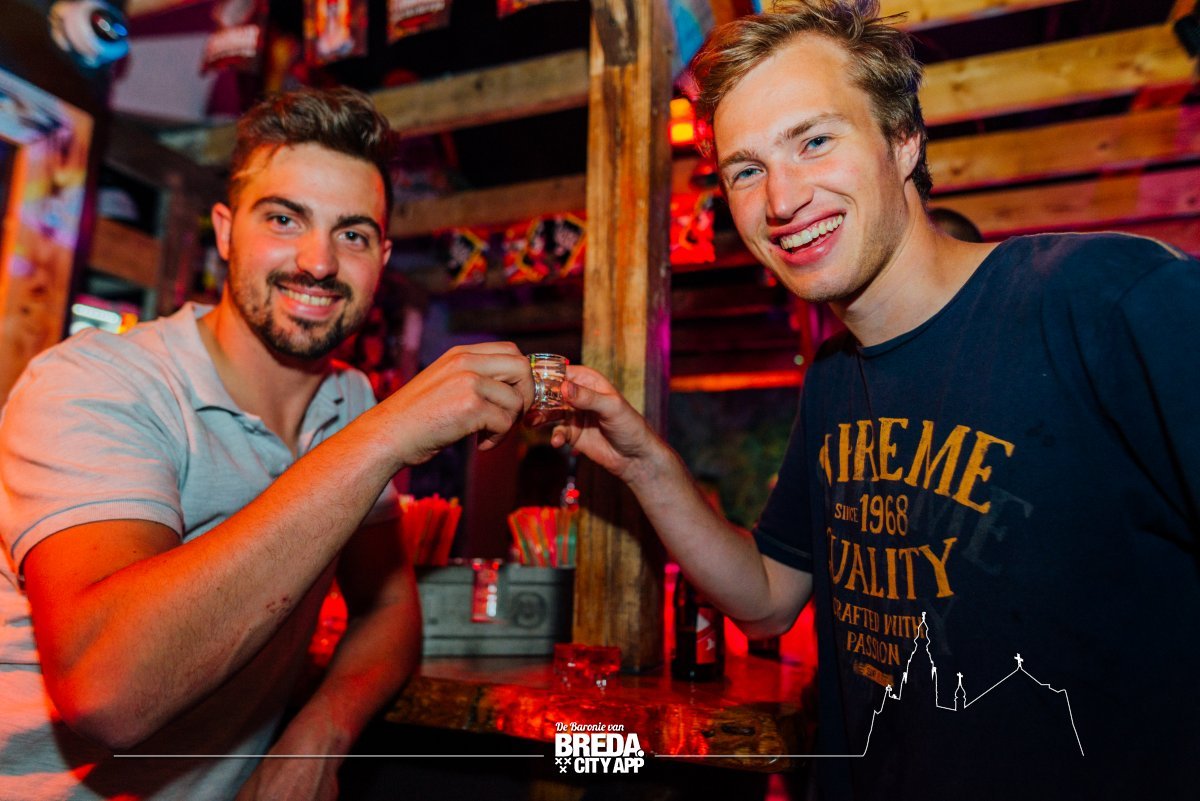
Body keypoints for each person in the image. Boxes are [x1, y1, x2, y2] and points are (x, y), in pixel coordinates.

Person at [550, 2, 1200, 798]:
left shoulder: (1102, 297)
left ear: (903, 140)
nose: (781, 199)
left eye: (814, 141)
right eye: (746, 170)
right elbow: (767, 599)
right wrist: (646, 464)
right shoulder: (833, 379)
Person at [0, 87, 534, 800]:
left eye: (352, 235)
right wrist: (386, 435)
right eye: (284, 219)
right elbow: (108, 694)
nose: (318, 262)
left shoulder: (349, 402)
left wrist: (319, 737)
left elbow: (388, 609)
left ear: (382, 257)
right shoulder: (99, 382)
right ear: (225, 232)